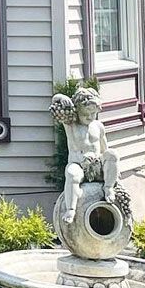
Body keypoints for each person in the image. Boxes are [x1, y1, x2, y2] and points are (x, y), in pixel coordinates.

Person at [51, 86, 121, 225]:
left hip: (96, 165)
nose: (89, 117)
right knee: (71, 174)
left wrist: (111, 167)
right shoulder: (70, 124)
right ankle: (71, 208)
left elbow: (104, 148)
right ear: (77, 110)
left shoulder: (99, 126)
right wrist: (62, 98)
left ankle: (108, 188)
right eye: (85, 114)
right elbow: (55, 101)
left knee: (112, 154)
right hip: (79, 165)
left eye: (93, 114)